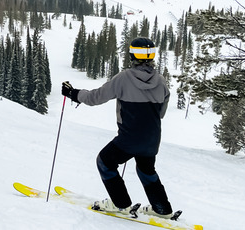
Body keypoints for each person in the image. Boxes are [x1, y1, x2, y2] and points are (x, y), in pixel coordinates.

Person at [61, 37, 173, 218]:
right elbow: (161, 113)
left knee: (105, 162)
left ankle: (120, 203)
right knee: (146, 170)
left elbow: (95, 98)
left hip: (129, 138)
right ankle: (163, 209)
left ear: (132, 55)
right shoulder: (161, 81)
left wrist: (73, 93)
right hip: (152, 139)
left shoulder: (124, 78)